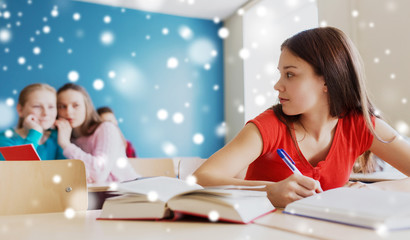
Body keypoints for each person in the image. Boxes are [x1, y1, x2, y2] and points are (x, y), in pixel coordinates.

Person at [194, 27, 410, 208]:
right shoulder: (268, 126)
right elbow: (202, 178)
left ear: (327, 80)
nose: (277, 85)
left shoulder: (361, 125)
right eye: (280, 74)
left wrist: (375, 189)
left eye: (290, 74)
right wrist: (268, 191)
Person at [55, 83, 139, 184]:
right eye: (62, 106)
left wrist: (66, 145)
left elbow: (99, 174)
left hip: (129, 191)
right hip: (96, 195)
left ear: (87, 107)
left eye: (76, 105)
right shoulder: (64, 137)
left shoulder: (106, 128)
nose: (68, 112)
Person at [0, 83, 65, 160]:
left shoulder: (57, 137)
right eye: (37, 106)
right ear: (20, 110)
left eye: (51, 107)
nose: (46, 113)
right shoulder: (6, 138)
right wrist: (35, 133)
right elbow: (21, 169)